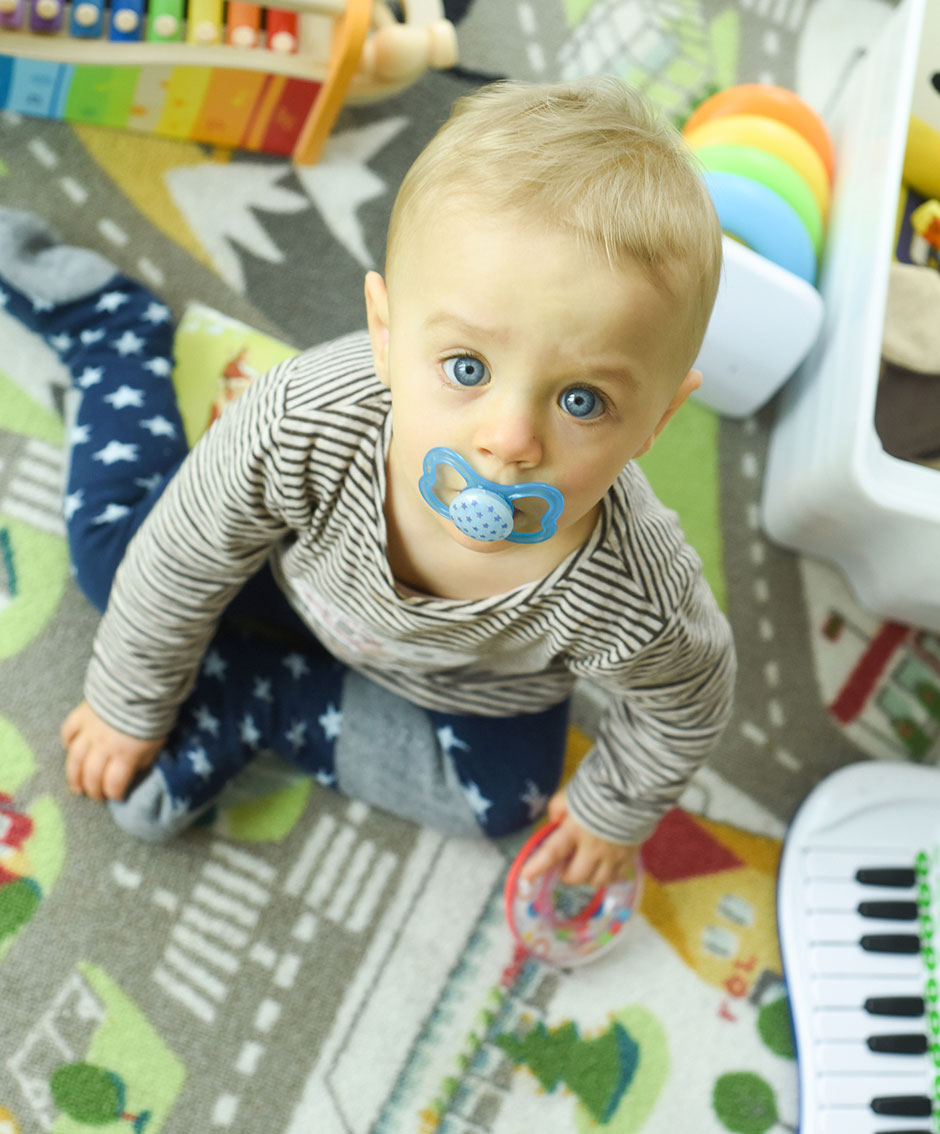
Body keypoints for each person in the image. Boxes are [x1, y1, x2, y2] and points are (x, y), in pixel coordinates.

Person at [0, 77, 734, 888]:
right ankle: (114, 334)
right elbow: (184, 554)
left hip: (475, 680)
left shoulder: (635, 589)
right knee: (118, 562)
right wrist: (129, 703)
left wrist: (613, 807)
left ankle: (265, 697)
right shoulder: (305, 419)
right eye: (466, 367)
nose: (510, 441)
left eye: (583, 400)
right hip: (290, 577)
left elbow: (687, 703)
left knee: (500, 800)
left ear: (658, 420)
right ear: (384, 337)